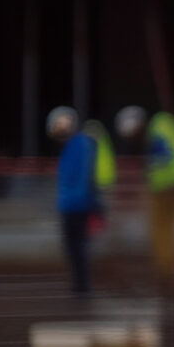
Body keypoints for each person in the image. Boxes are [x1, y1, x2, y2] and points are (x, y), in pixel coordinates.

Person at [117, 105, 174, 281]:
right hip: (173, 184)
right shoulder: (162, 125)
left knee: (161, 230)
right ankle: (169, 269)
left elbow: (166, 157)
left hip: (169, 186)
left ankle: (168, 271)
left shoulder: (159, 128)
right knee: (165, 230)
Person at [50, 107, 102, 298]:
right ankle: (80, 285)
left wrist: (93, 204)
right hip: (72, 204)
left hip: (77, 205)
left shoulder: (80, 145)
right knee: (74, 248)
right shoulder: (76, 146)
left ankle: (82, 286)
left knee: (77, 247)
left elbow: (82, 178)